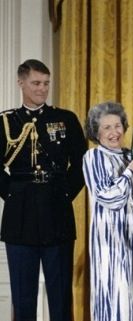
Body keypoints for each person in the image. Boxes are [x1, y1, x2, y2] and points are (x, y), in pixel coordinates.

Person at [0, 59, 87, 320]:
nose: (42, 89)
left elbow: (83, 164)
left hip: (57, 214)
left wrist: (63, 195)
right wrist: (13, 194)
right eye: (36, 83)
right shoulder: (5, 122)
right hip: (20, 217)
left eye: (46, 83)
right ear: (21, 83)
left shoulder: (65, 119)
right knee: (23, 299)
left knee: (60, 299)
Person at [83, 101, 133, 321]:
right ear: (96, 132)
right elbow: (110, 198)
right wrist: (129, 171)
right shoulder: (93, 157)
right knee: (114, 306)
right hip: (110, 247)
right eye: (107, 127)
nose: (114, 132)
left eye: (118, 126)